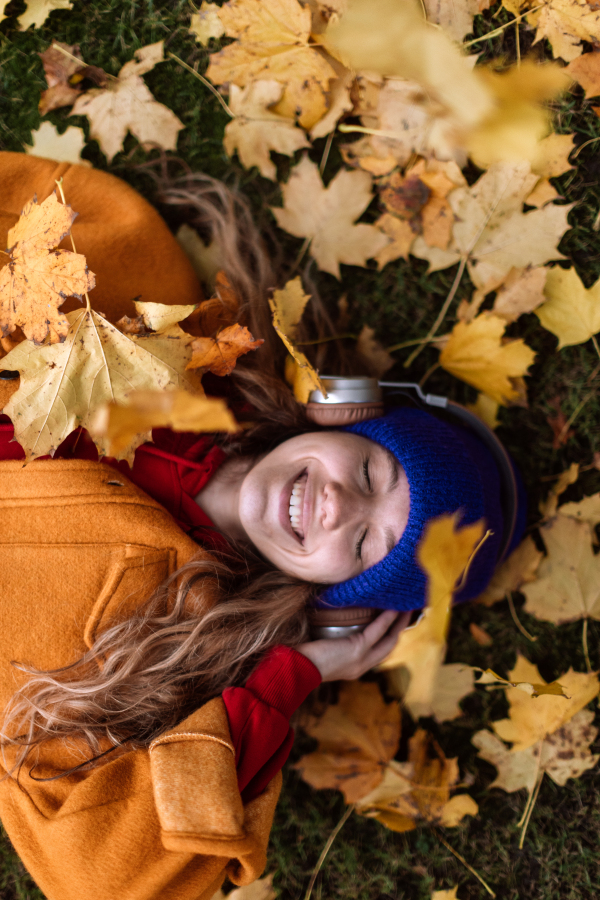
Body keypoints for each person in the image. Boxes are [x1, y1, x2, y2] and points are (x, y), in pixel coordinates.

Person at [0, 153, 526, 900]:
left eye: (369, 545)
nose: (340, 506)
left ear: (342, 603)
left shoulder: (178, 656)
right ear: (344, 413)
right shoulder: (170, 334)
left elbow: (98, 879)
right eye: (373, 474)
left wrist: (290, 677)